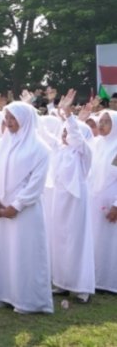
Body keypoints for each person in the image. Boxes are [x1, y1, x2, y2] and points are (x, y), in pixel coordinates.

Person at [0, 101, 53, 314]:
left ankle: (27, 300)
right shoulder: (1, 145)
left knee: (25, 253)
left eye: (13, 118)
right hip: (2, 209)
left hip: (26, 211)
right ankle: (2, 293)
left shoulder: (40, 148)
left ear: (26, 119)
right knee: (3, 251)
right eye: (7, 118)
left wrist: (16, 206)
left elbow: (36, 184)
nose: (9, 122)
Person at [49, 90, 95, 303]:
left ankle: (81, 287)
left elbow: (76, 137)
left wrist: (70, 116)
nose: (66, 136)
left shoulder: (84, 152)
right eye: (64, 133)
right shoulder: (61, 150)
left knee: (77, 241)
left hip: (77, 202)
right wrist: (55, 109)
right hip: (60, 200)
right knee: (59, 240)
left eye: (69, 133)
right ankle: (61, 282)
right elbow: (47, 133)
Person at [90, 108, 117, 294]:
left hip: (112, 200)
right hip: (95, 199)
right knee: (96, 241)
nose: (101, 124)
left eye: (106, 121)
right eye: (101, 120)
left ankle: (111, 282)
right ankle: (96, 279)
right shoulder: (97, 144)